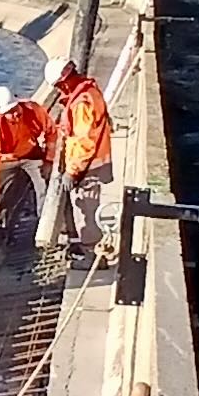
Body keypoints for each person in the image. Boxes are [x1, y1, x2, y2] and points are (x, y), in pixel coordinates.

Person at [46, 55, 114, 258]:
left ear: (64, 80)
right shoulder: (86, 92)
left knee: (87, 211)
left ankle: (91, 255)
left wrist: (72, 171)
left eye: (58, 86)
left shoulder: (81, 103)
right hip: (89, 163)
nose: (58, 90)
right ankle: (84, 247)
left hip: (88, 167)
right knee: (84, 208)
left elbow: (84, 141)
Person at [0, 84, 51, 225]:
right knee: (5, 194)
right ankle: (1, 227)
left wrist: (49, 159)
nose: (15, 114)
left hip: (31, 155)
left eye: (15, 109)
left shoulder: (32, 110)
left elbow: (51, 131)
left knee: (44, 187)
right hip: (8, 160)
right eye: (10, 112)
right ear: (1, 113)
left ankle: (44, 224)